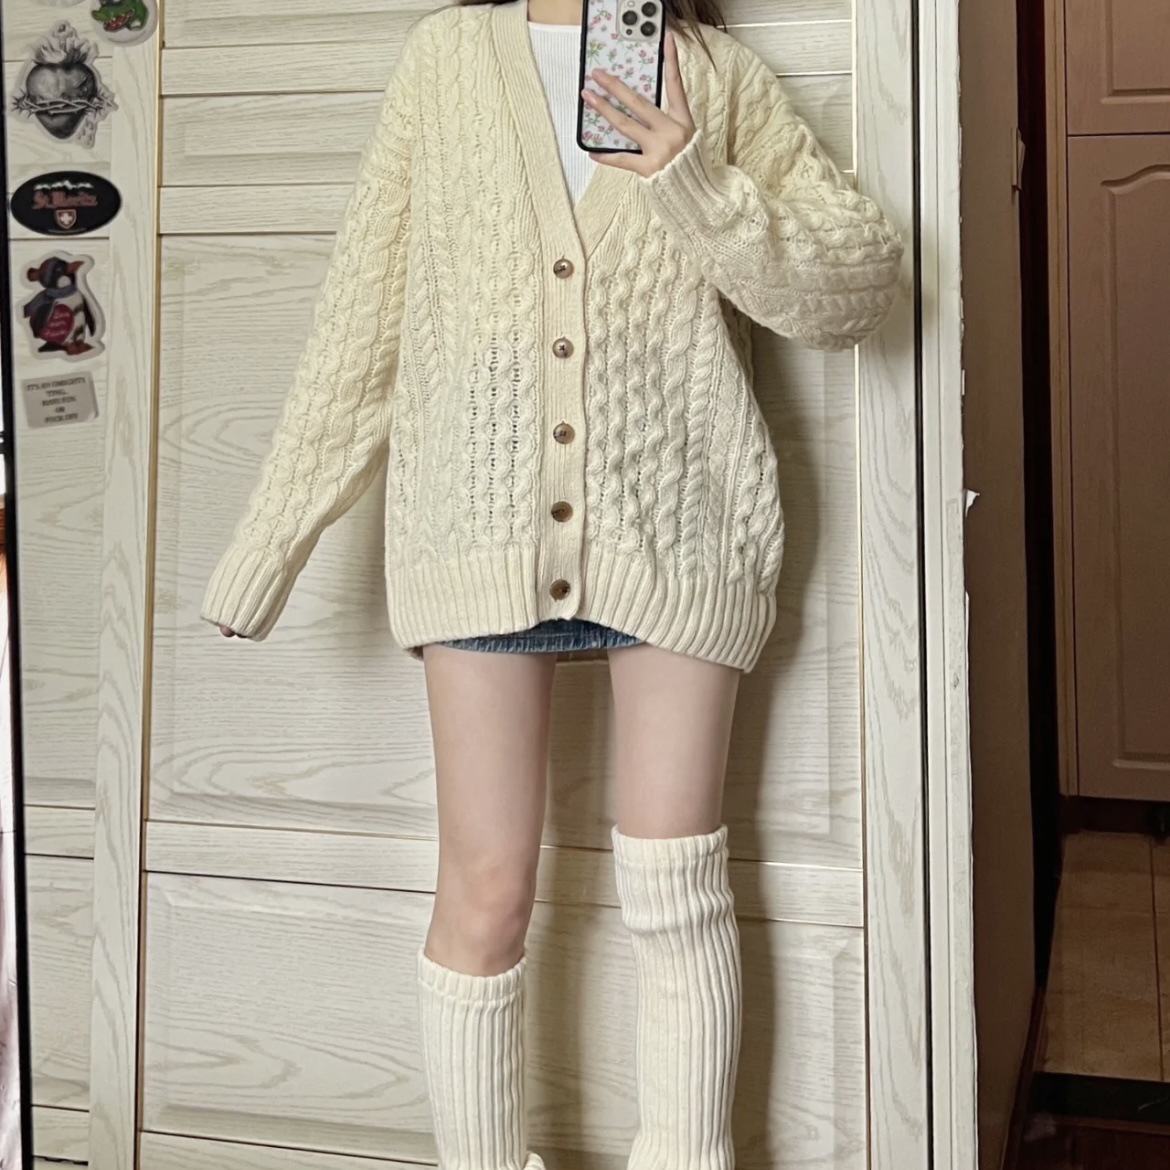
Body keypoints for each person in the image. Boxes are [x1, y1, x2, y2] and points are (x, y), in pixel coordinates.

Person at [202, 0, 903, 1165]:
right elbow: (362, 322)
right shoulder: (444, 61)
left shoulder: (714, 74)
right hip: (473, 527)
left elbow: (858, 291)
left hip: (677, 529)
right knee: (484, 893)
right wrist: (273, 539)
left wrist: (692, 180)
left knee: (677, 890)